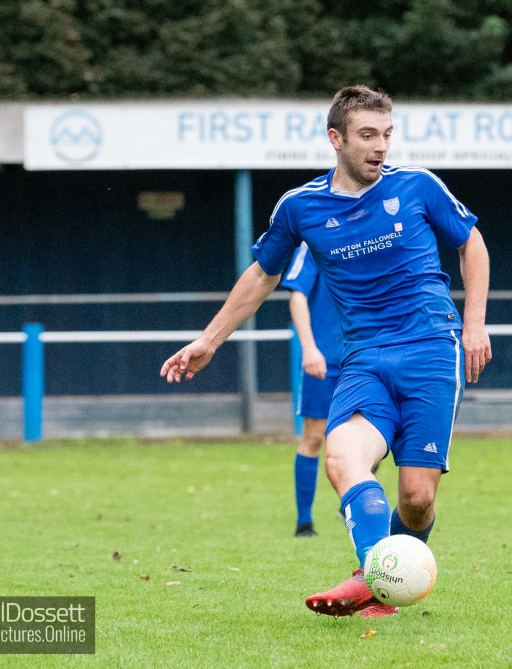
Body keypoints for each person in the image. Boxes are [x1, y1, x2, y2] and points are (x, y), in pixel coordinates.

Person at [161, 85, 491, 618]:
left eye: (386, 134)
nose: (379, 146)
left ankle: (381, 577)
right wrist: (210, 338)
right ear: (336, 138)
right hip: (363, 358)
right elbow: (263, 274)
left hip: (431, 348)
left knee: (417, 499)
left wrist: (474, 324)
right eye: (367, 135)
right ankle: (375, 576)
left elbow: (470, 242)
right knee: (340, 457)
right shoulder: (300, 206)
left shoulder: (418, 185)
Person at [282, 242, 344, 538]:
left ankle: (353, 497)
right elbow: (297, 296)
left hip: (366, 357)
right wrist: (309, 347)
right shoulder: (314, 241)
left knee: (375, 437)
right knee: (315, 437)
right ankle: (304, 523)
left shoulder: (376, 234)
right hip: (324, 359)